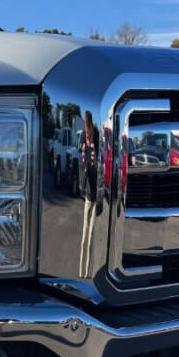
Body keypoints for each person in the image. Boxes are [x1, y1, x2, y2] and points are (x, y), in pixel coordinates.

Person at [79, 111, 99, 278]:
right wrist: (85, 161)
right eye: (87, 135)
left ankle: (89, 272)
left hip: (97, 197)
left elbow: (100, 170)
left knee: (91, 236)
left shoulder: (97, 145)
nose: (89, 137)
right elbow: (83, 170)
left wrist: (95, 159)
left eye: (90, 134)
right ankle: (81, 272)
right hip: (88, 195)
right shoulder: (83, 145)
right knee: (84, 237)